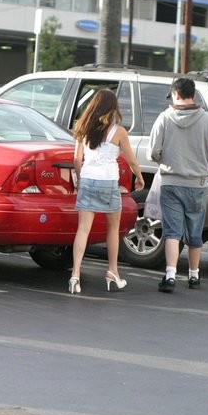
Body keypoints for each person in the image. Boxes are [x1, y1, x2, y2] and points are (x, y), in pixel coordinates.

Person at [148, 77, 208, 292]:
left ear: (176, 95)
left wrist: (167, 159)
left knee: (172, 231)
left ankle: (170, 275)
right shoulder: (207, 120)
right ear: (193, 95)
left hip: (171, 182)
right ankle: (194, 276)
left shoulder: (164, 118)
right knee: (195, 232)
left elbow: (153, 152)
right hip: (198, 184)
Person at [69, 88, 144, 294]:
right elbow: (132, 160)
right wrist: (139, 177)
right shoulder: (118, 131)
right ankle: (112, 272)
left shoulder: (82, 127)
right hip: (108, 183)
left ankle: (75, 274)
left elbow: (77, 159)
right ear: (112, 108)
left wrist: (80, 180)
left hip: (87, 180)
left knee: (83, 229)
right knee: (113, 229)